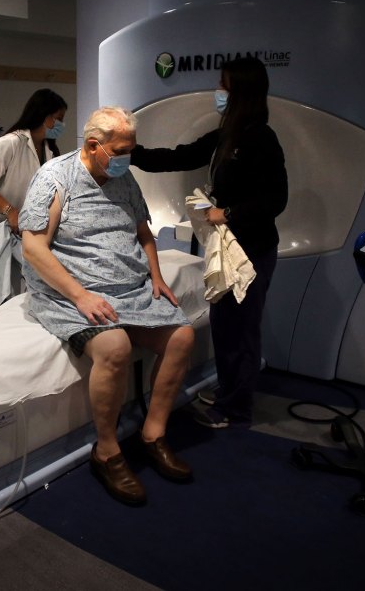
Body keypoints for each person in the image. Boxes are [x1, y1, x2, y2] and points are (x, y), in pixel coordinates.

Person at [19, 106, 195, 506]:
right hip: (70, 290)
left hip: (128, 286)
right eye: (121, 150)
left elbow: (144, 233)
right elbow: (33, 248)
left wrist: (156, 275)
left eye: (130, 149)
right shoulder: (56, 179)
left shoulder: (123, 176)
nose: (128, 158)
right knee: (114, 347)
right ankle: (107, 451)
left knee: (182, 337)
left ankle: (153, 433)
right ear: (94, 146)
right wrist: (80, 295)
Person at [129, 55, 288, 429]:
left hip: (250, 250)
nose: (218, 91)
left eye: (223, 84)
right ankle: (228, 390)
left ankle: (236, 409)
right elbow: (180, 157)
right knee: (223, 323)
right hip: (224, 247)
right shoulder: (226, 133)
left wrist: (228, 213)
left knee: (241, 328)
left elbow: (275, 200)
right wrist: (129, 153)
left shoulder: (261, 138)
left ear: (240, 91)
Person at [0, 89, 68, 320]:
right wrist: (9, 211)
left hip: (26, 229)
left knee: (18, 292)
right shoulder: (12, 143)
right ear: (46, 116)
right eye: (59, 118)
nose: (61, 124)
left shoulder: (49, 150)